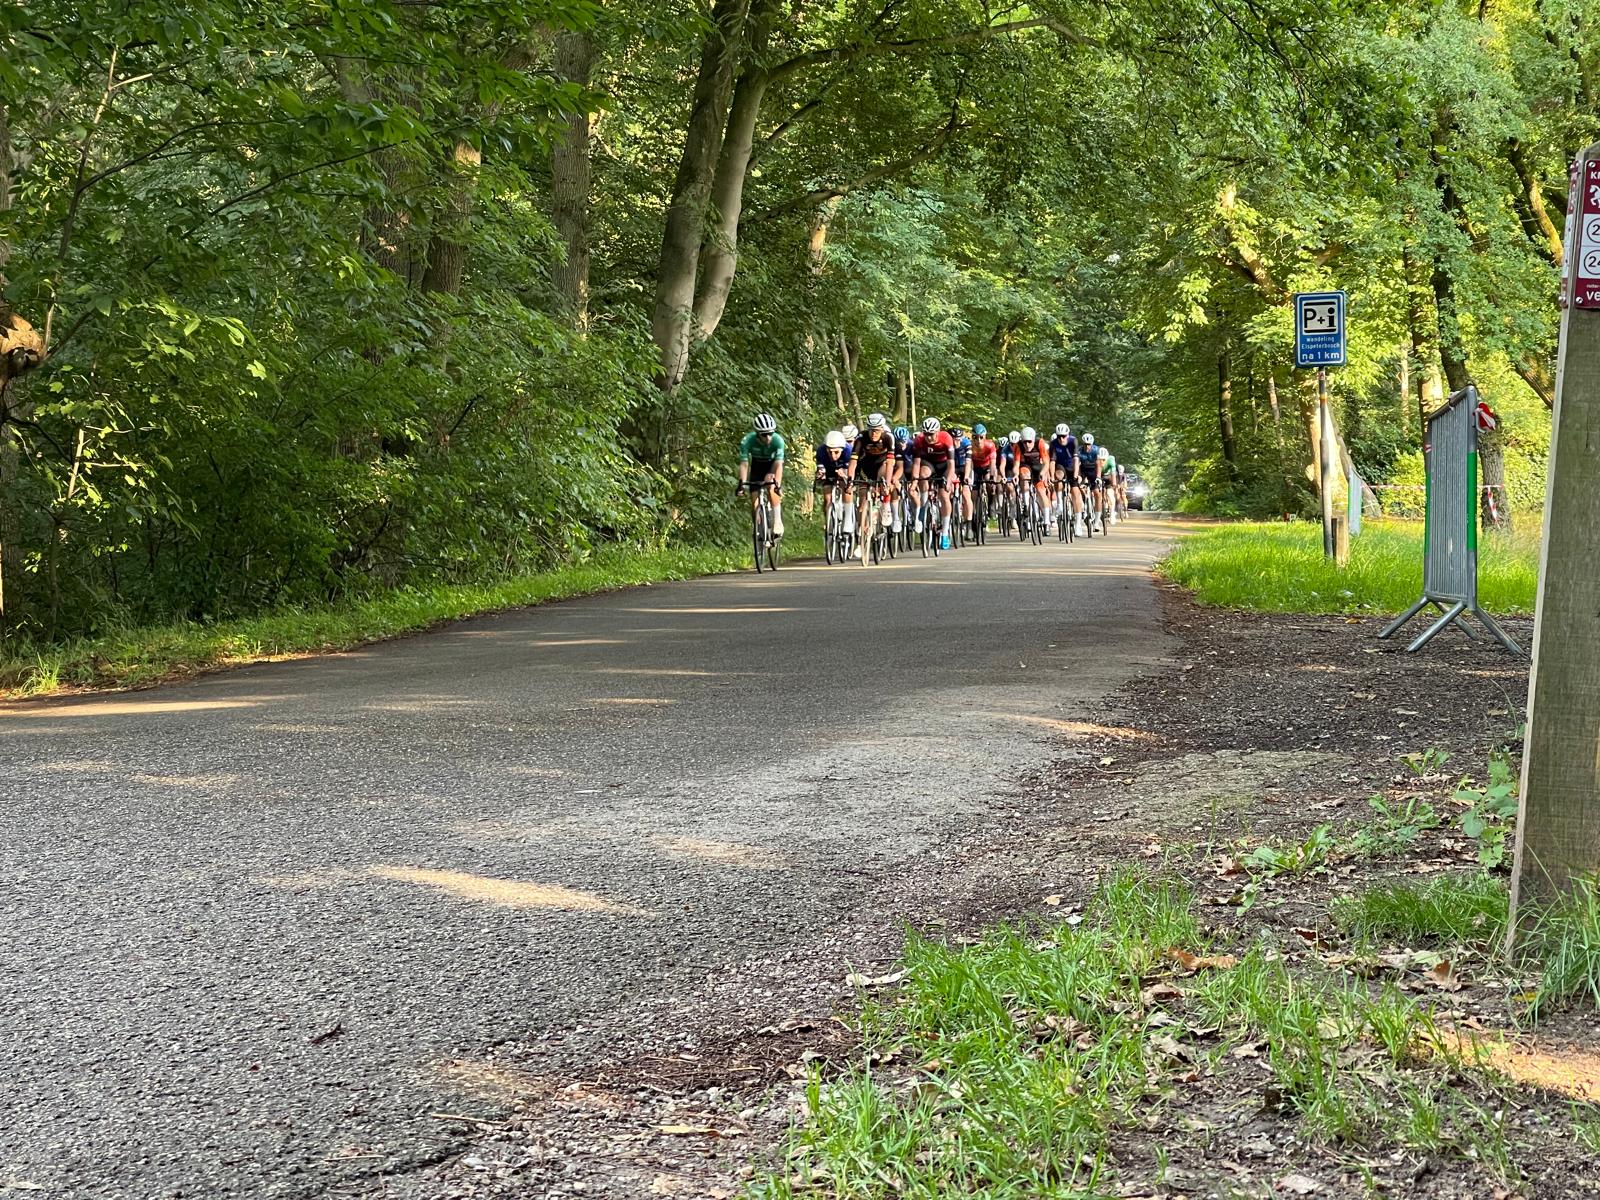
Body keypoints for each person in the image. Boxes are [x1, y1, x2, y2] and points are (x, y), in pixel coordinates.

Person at [848, 413, 899, 557]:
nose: (874, 433)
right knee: (862, 503)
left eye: (876, 430)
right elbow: (853, 462)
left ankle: (886, 506)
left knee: (884, 474)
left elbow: (890, 462)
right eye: (871, 430)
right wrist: (850, 480)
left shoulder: (888, 438)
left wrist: (887, 483)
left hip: (883, 465)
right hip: (866, 467)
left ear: (882, 429)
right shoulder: (861, 438)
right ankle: (862, 535)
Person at [737, 412, 785, 538]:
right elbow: (744, 464)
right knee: (754, 502)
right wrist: (742, 484)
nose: (768, 437)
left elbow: (779, 464)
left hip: (772, 465)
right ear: (757, 434)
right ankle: (759, 530)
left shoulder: (778, 440)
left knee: (771, 487)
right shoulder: (748, 441)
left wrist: (777, 485)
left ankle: (778, 521)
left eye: (770, 433)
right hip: (757, 466)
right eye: (764, 434)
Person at [910, 416, 957, 540]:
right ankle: (924, 503)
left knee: (944, 496)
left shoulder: (946, 438)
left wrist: (949, 482)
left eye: (931, 434)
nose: (928, 437)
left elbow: (951, 465)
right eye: (926, 434)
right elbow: (916, 464)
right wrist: (914, 483)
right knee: (922, 475)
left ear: (937, 432)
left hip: (944, 465)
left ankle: (945, 532)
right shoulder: (919, 440)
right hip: (929, 463)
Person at [1015, 426, 1051, 533]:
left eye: (1029, 442)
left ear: (1033, 440)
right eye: (1025, 442)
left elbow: (1046, 462)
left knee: (1041, 491)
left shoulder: (1040, 443)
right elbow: (1016, 464)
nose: (1027, 445)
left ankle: (1047, 521)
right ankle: (1026, 506)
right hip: (1025, 466)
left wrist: (1043, 473)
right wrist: (1015, 475)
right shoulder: (1018, 446)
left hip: (1037, 467)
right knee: (1024, 476)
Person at [969, 423, 998, 534]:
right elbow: (969, 463)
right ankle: (974, 515)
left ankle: (990, 504)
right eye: (975, 437)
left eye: (981, 437)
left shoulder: (990, 445)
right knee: (973, 495)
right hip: (975, 468)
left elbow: (993, 463)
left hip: (986, 467)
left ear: (985, 437)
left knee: (990, 484)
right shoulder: (970, 446)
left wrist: (992, 477)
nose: (978, 440)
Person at [1049, 423, 1078, 531]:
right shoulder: (1054, 443)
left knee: (1075, 492)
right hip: (1060, 465)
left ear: (1068, 435)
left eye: (1063, 436)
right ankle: (1060, 504)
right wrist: (1052, 476)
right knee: (1058, 476)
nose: (1061, 439)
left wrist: (1075, 475)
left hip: (1071, 466)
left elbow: (1076, 459)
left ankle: (1078, 523)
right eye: (1059, 436)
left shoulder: (1073, 441)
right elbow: (1052, 461)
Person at [1076, 433, 1104, 534]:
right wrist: (1078, 476)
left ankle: (1096, 522)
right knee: (1079, 488)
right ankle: (1083, 504)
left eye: (1089, 444)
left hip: (1093, 471)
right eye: (1085, 444)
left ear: (1092, 444)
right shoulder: (1079, 450)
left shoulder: (1096, 450)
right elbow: (1077, 464)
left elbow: (1099, 465)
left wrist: (1098, 477)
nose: (1087, 446)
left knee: (1097, 495)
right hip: (1083, 470)